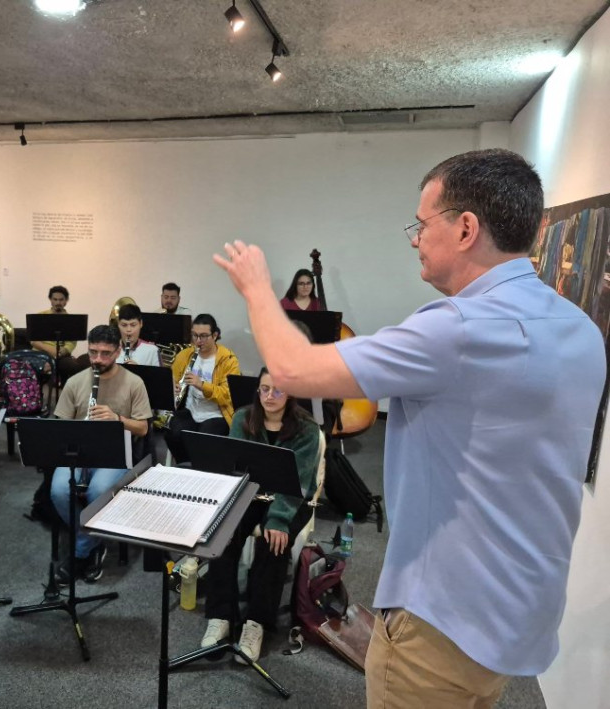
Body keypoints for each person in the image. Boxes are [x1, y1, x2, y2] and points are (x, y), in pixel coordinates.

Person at [214, 148, 606, 708]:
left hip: (442, 621)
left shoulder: (458, 329)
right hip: (521, 613)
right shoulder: (581, 328)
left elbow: (293, 371)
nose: (415, 239)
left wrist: (256, 288)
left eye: (421, 224)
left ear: (466, 228)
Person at [200, 367, 321, 664]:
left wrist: (278, 519)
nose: (270, 396)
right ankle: (220, 615)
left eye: (278, 390)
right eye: (265, 389)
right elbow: (234, 470)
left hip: (291, 499)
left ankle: (256, 622)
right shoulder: (243, 418)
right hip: (250, 492)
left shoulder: (306, 429)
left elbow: (300, 482)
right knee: (223, 533)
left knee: (274, 542)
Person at [51, 325, 152, 585]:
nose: (98, 359)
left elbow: (143, 428)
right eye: (93, 352)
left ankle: (80, 552)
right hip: (77, 452)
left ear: (118, 351)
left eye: (105, 354)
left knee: (98, 491)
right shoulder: (75, 382)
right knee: (58, 490)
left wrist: (117, 418)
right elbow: (60, 425)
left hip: (115, 454)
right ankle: (93, 541)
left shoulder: (134, 383)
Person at [164, 314, 240, 463]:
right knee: (172, 434)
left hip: (217, 414)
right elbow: (172, 380)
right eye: (195, 335)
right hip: (190, 410)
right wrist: (174, 387)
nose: (198, 341)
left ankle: (201, 469)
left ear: (215, 335)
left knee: (203, 441)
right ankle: (185, 466)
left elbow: (228, 395)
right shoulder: (185, 355)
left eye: (204, 336)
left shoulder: (228, 360)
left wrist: (202, 385)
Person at [30, 285, 87, 384]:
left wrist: (57, 355)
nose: (58, 303)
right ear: (50, 300)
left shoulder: (71, 320)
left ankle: (66, 390)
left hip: (61, 355)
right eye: (55, 299)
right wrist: (52, 352)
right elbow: (34, 341)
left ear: (66, 300)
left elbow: (71, 344)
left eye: (61, 300)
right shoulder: (40, 316)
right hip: (40, 353)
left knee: (73, 367)